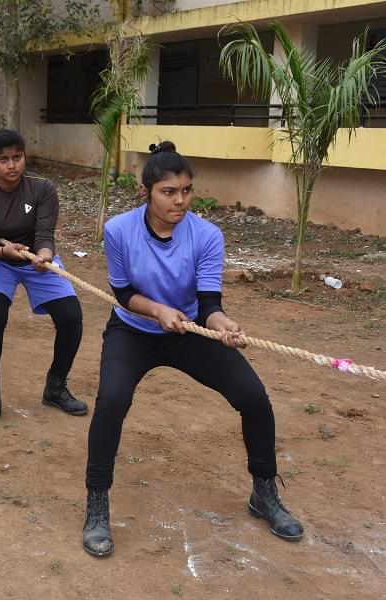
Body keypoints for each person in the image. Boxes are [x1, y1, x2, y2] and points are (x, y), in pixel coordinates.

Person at [81, 141, 303, 558]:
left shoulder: (206, 235)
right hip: (133, 331)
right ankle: (97, 504)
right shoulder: (118, 230)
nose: (180, 200)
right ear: (145, 192)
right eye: (169, 191)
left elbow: (208, 304)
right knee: (111, 400)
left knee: (253, 397)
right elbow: (123, 292)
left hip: (189, 332)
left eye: (186, 190)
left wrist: (223, 325)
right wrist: (158, 310)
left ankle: (264, 494)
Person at [0, 129, 87, 423]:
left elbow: (45, 234)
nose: (11, 165)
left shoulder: (42, 189)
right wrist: (4, 253)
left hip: (38, 262)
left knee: (71, 317)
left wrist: (44, 255)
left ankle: (56, 386)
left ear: (24, 158)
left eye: (17, 157)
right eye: (3, 159)